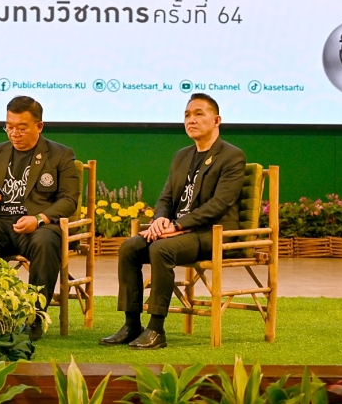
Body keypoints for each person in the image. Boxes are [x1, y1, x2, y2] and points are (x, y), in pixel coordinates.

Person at [101, 93, 246, 350]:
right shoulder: (182, 156)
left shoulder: (231, 156)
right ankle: (131, 324)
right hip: (178, 231)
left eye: (199, 114)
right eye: (187, 115)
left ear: (217, 120)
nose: (191, 120)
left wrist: (177, 226)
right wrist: (159, 220)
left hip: (211, 233)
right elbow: (166, 197)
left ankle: (156, 329)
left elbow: (220, 204)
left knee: (161, 248)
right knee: (130, 247)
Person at [0, 95, 79, 337]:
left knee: (46, 242)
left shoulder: (60, 155)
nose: (14, 134)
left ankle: (34, 317)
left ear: (39, 126)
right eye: (9, 127)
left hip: (38, 226)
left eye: (21, 128)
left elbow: (69, 200)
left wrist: (40, 218)